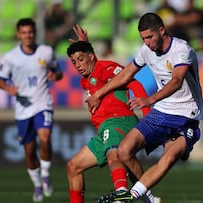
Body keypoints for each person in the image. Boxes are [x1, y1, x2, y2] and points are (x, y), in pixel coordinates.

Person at [86, 12, 203, 202]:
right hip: (161, 111)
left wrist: (149, 100)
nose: (147, 42)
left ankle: (130, 197)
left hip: (186, 114)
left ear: (162, 30)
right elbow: (126, 74)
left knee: (169, 157)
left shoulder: (182, 50)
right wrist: (99, 94)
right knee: (124, 151)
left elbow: (176, 81)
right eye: (144, 39)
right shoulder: (145, 50)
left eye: (150, 37)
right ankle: (143, 198)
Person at [66, 40, 162, 203]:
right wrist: (85, 44)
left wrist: (147, 115)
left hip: (119, 120)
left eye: (81, 59)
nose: (78, 65)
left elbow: (133, 82)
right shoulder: (86, 80)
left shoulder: (104, 67)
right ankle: (150, 199)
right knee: (73, 167)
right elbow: (94, 68)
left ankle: (121, 195)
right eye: (74, 62)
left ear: (90, 56)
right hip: (104, 128)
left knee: (114, 154)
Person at [0, 18, 63, 202]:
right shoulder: (10, 58)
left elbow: (58, 72)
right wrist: (8, 88)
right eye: (24, 32)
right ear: (18, 34)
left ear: (35, 33)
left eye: (31, 32)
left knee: (45, 138)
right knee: (29, 149)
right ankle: (37, 185)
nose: (28, 36)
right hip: (23, 109)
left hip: (43, 103)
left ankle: (46, 175)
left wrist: (54, 75)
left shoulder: (46, 52)